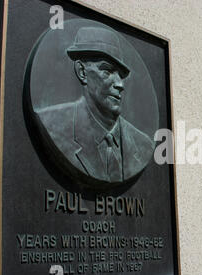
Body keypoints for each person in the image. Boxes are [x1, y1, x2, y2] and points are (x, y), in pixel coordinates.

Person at [35, 26, 154, 184]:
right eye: (107, 71)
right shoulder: (50, 125)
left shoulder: (143, 144)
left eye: (121, 75)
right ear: (82, 72)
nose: (120, 84)